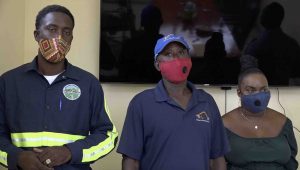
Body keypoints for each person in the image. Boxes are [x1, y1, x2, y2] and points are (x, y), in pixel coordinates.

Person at [0, 5, 118, 170]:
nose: (59, 37)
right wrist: (17, 157)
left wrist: (70, 152)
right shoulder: (8, 82)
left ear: (71, 39)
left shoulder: (88, 83)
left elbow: (107, 136)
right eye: (52, 29)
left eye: (67, 32)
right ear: (37, 35)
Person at [117, 34, 230, 170]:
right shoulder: (141, 103)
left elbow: (217, 159)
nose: (176, 58)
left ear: (189, 59)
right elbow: (131, 162)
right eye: (168, 54)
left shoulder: (206, 101)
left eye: (181, 53)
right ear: (157, 64)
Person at [222, 68, 298, 169]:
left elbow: (291, 162)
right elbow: (216, 162)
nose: (258, 95)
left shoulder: (284, 122)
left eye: (263, 90)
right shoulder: (223, 124)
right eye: (250, 90)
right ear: (239, 93)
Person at [244, 2, 300, 85]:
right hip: (283, 92)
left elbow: (245, 71)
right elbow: (296, 72)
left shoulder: (255, 45)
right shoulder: (292, 44)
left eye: (263, 13)